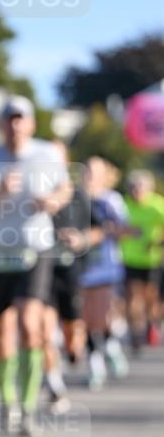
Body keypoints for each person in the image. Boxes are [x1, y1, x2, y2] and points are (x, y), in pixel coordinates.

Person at [0, 96, 71, 435]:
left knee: (29, 324)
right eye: (9, 119)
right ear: (1, 124)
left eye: (21, 118)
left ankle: (28, 405)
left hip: (34, 249)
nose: (15, 125)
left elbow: (65, 188)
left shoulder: (46, 155)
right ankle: (8, 404)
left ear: (32, 123)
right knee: (1, 330)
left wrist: (53, 200)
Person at [42, 141, 91, 411]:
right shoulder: (34, 192)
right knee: (44, 332)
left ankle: (73, 351)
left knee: (73, 330)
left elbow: (96, 230)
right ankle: (54, 384)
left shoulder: (78, 195)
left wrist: (80, 239)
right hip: (42, 269)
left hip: (70, 269)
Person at [79, 157, 129, 391]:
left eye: (93, 171)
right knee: (86, 319)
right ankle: (94, 363)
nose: (88, 175)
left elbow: (125, 229)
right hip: (80, 268)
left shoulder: (111, 200)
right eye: (86, 170)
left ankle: (110, 346)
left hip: (106, 267)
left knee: (102, 317)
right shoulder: (74, 198)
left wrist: (104, 231)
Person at [121, 169, 164, 352]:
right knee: (132, 297)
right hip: (130, 259)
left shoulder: (157, 205)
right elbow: (114, 226)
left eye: (140, 187)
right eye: (133, 187)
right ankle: (135, 332)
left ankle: (151, 323)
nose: (136, 191)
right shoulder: (124, 205)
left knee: (150, 298)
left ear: (148, 188)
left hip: (152, 260)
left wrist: (157, 241)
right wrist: (125, 232)